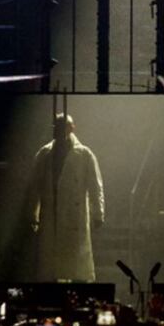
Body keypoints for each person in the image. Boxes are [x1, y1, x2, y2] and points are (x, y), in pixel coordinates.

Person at [24, 113, 105, 281]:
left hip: (74, 217)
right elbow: (35, 186)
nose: (60, 130)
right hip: (51, 215)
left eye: (64, 126)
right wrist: (33, 213)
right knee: (52, 264)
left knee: (75, 265)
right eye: (58, 127)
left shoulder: (84, 154)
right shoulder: (45, 154)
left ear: (71, 128)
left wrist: (98, 213)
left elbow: (95, 185)